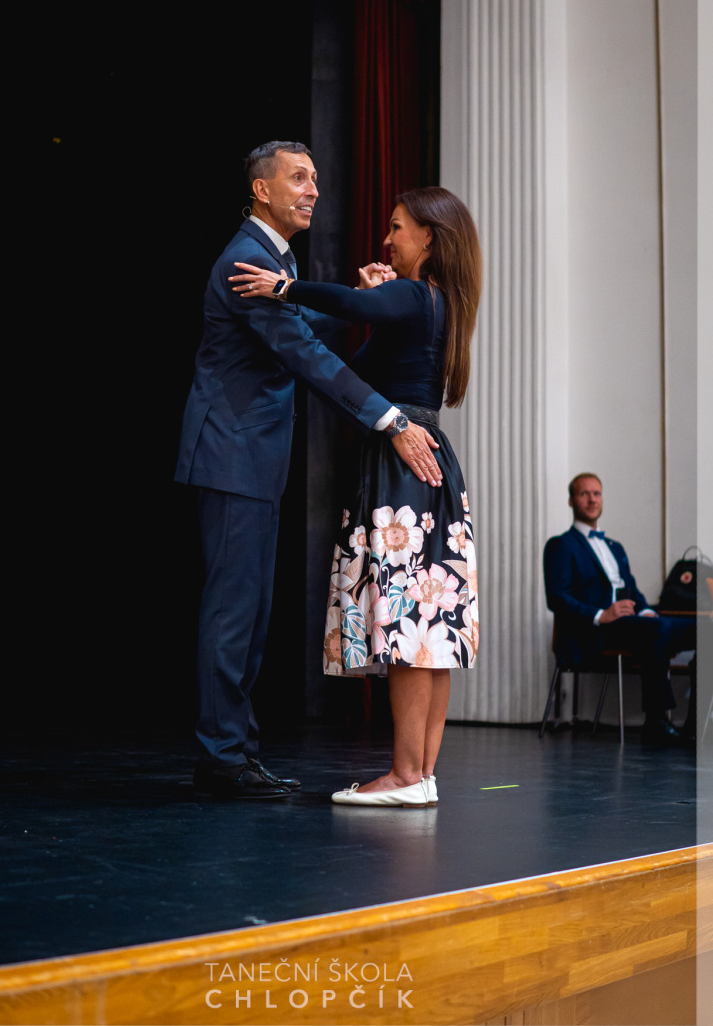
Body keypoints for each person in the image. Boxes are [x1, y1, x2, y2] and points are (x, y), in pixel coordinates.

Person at [177, 142, 444, 800]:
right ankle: (222, 759)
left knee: (250, 612)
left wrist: (355, 300)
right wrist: (391, 420)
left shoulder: (276, 261)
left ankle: (235, 753)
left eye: (317, 178)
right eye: (299, 177)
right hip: (232, 455)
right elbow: (301, 352)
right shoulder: (246, 258)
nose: (314, 189)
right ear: (261, 189)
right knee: (233, 612)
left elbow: (291, 326)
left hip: (251, 459)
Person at [230, 186, 482, 807]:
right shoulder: (435, 302)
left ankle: (404, 776)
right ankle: (420, 775)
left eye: (397, 228)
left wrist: (286, 288)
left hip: (402, 472)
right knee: (430, 628)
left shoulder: (416, 294)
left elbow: (348, 303)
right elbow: (357, 372)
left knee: (407, 624)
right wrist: (360, 304)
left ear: (429, 238)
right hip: (430, 466)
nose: (387, 239)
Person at [543, 473, 695, 744]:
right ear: (571, 501)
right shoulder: (561, 545)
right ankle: (656, 722)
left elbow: (633, 591)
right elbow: (557, 598)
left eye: (597, 494)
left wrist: (646, 611)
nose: (592, 500)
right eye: (584, 494)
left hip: (632, 625)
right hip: (594, 631)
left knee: (703, 629)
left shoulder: (615, 547)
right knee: (658, 629)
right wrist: (601, 615)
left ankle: (695, 722)